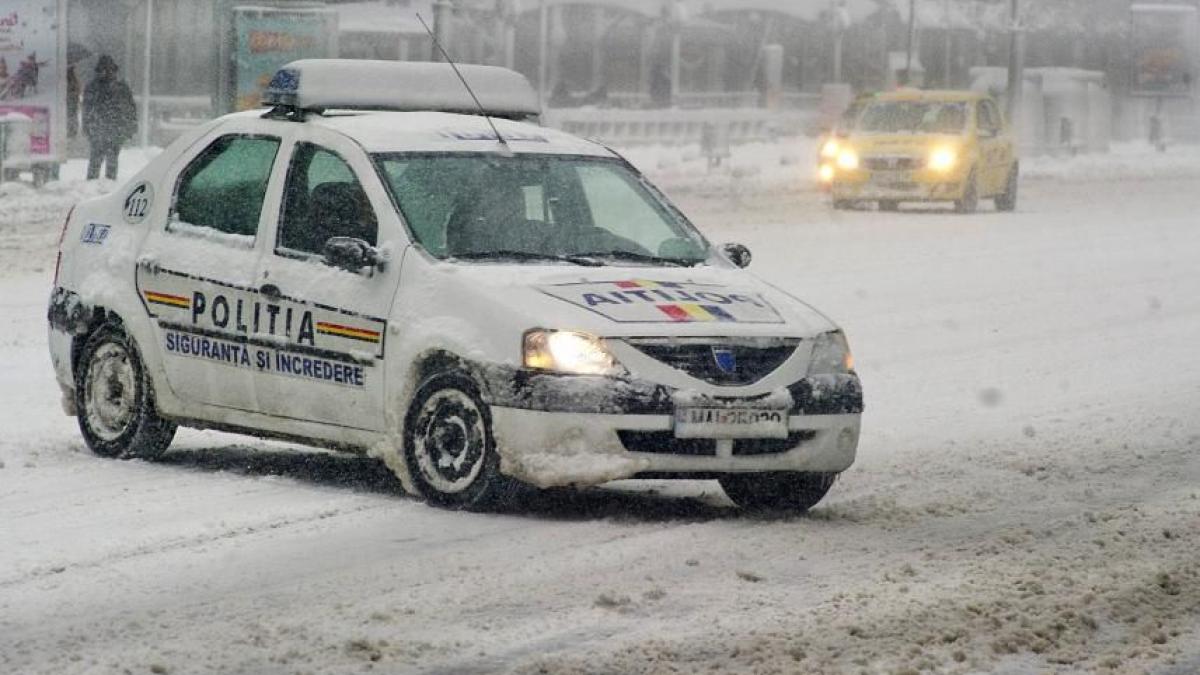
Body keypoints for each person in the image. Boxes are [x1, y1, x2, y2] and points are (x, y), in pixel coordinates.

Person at [81, 55, 137, 180]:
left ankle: (97, 184)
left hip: (105, 129)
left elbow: (87, 109)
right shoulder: (120, 87)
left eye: (108, 69)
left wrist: (87, 126)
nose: (106, 72)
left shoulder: (93, 87)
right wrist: (130, 126)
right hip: (110, 129)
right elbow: (130, 108)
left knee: (98, 161)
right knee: (106, 161)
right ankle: (106, 184)